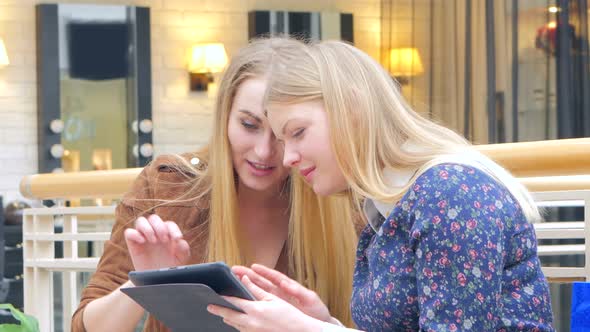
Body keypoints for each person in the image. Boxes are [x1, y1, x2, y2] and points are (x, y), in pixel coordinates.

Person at [207, 40, 555, 331]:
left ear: (354, 109)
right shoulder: (385, 210)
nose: (288, 158)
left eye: (297, 132)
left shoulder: (452, 194)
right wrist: (326, 322)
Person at [72, 38, 359, 332]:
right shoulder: (168, 187)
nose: (264, 151)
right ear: (225, 117)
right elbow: (86, 327)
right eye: (249, 125)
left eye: (285, 133)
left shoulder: (342, 198)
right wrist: (145, 282)